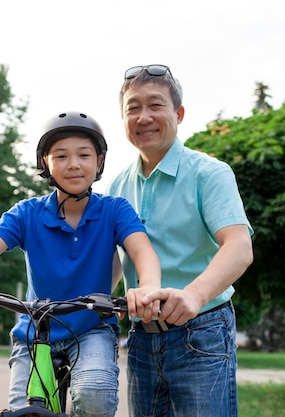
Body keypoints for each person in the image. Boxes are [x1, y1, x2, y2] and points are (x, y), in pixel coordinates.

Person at [0, 111, 161, 417]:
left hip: (91, 328)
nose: (73, 163)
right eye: (61, 156)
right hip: (35, 331)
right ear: (45, 164)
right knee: (25, 411)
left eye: (84, 155)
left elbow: (142, 251)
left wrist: (149, 288)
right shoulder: (27, 213)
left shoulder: (114, 210)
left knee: (94, 394)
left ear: (98, 162)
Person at [106, 65, 254, 417]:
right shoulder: (116, 186)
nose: (144, 117)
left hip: (201, 330)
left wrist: (194, 295)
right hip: (140, 336)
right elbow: (114, 261)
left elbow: (239, 246)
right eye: (133, 108)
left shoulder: (209, 173)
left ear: (179, 114)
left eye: (155, 105)